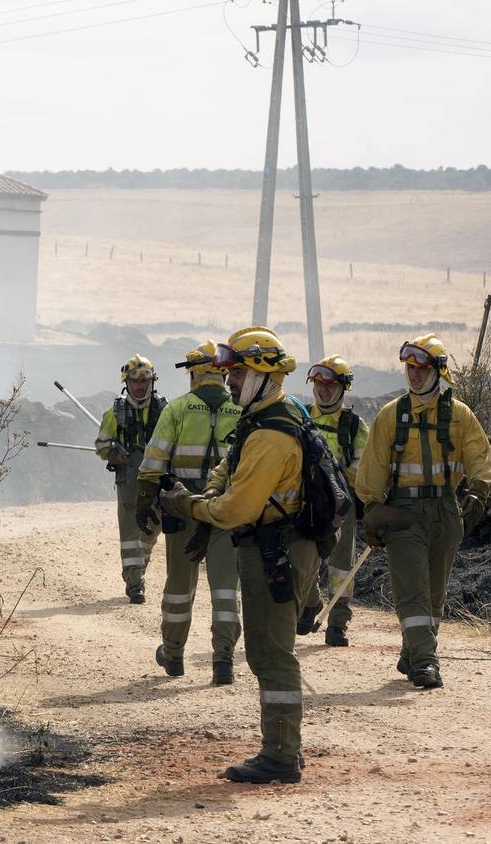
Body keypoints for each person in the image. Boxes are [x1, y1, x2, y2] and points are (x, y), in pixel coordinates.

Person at [160, 327, 319, 784]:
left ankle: (281, 756)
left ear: (262, 373)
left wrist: (190, 505)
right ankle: (284, 748)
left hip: (277, 550)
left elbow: (238, 508)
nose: (227, 380)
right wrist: (212, 486)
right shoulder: (268, 416)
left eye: (236, 372)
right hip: (277, 546)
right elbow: (229, 466)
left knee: (270, 653)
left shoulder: (271, 434)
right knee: (270, 650)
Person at [354, 335, 491, 690]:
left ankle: (412, 652)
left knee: (434, 593)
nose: (414, 375)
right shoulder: (390, 416)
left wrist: (478, 490)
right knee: (412, 589)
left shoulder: (460, 415)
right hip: (403, 514)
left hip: (446, 511)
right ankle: (427, 663)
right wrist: (372, 510)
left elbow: (479, 454)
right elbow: (371, 470)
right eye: (409, 368)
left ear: (437, 370)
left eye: (421, 368)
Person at [137, 342, 243, 684]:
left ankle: (173, 654)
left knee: (179, 586)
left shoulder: (178, 409)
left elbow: (154, 461)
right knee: (226, 589)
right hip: (226, 510)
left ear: (195, 373)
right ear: (224, 373)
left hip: (182, 508)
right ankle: (223, 659)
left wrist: (145, 499)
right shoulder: (243, 411)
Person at [294, 355, 369, 647]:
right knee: (305, 556)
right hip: (307, 500)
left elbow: (361, 468)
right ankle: (308, 605)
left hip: (340, 502)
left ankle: (337, 623)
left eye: (330, 385)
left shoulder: (354, 426)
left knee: (341, 565)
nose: (324, 390)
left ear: (342, 388)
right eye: (319, 384)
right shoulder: (302, 416)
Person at [95, 355, 167, 603]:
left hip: (157, 478)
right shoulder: (116, 412)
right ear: (127, 382)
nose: (140, 386)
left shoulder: (164, 410)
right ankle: (135, 584)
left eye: (144, 380)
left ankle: (141, 565)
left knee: (152, 530)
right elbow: (101, 445)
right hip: (128, 480)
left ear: (152, 381)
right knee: (130, 533)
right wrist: (115, 455)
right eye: (135, 381)